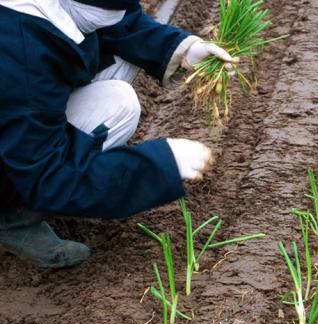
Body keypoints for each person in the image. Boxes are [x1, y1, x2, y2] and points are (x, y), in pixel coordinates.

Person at [0, 0, 238, 268]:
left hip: (21, 102)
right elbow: (45, 175)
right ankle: (11, 215)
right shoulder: (20, 54)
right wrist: (159, 163)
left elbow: (120, 23)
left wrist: (185, 50)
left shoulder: (61, 9)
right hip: (21, 128)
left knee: (123, 62)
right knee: (118, 104)